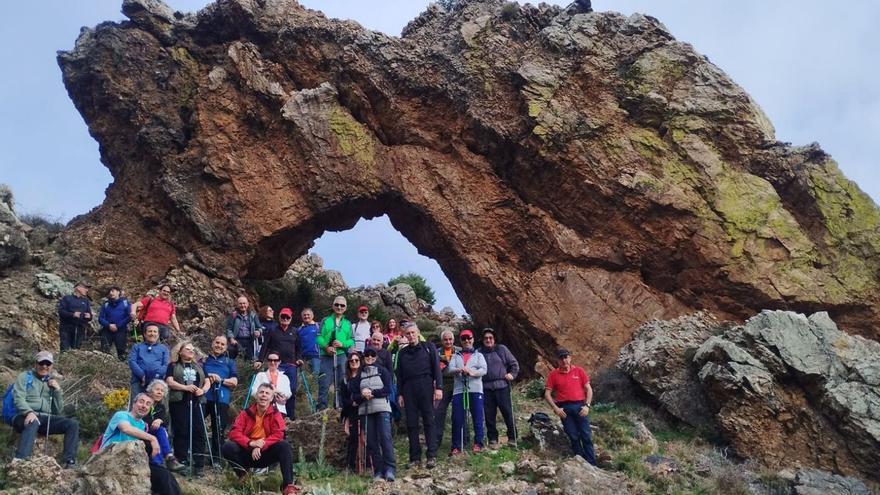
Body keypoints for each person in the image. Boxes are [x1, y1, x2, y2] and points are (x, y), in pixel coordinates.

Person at [223, 383, 299, 494]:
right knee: (227, 447)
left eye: (267, 393)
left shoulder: (275, 414)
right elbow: (234, 432)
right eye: (261, 392)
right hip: (247, 451)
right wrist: (251, 443)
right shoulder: (246, 413)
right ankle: (244, 475)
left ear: (272, 398)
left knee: (284, 446)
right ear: (256, 395)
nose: (264, 395)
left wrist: (261, 444)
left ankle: (288, 486)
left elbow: (278, 434)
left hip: (265, 453)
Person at [99, 392, 182, 495]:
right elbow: (126, 429)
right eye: (141, 402)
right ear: (133, 404)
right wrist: (153, 438)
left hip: (131, 461)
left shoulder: (143, 425)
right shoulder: (121, 415)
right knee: (162, 476)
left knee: (166, 476)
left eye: (148, 404)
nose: (144, 406)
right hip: (111, 457)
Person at [11, 351, 80, 467]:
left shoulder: (51, 383)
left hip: (45, 419)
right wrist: (29, 412)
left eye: (48, 364)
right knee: (33, 421)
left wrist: (57, 391)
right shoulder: (24, 377)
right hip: (22, 417)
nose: (44, 366)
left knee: (72, 424)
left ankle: (70, 461)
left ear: (51, 366)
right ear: (36, 363)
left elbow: (57, 411)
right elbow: (18, 398)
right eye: (41, 363)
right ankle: (20, 460)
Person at [395, 321, 442, 469]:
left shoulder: (429, 347)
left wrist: (439, 388)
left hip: (426, 384)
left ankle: (431, 456)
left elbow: (437, 368)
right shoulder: (402, 352)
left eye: (413, 333)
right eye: (407, 334)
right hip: (408, 388)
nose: (410, 336)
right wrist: (400, 394)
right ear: (405, 336)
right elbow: (399, 375)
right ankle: (414, 457)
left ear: (418, 333)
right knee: (411, 423)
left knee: (429, 420)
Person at [165, 341, 211, 476]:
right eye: (188, 349)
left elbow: (207, 381)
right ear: (180, 351)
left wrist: (202, 390)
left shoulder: (200, 365)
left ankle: (199, 464)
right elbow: (169, 381)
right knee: (182, 431)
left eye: (192, 349)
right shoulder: (173, 365)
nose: (191, 351)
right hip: (179, 402)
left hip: (197, 401)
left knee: (199, 431)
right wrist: (185, 388)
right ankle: (182, 461)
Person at [544, 348, 596, 465]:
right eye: (561, 358)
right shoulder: (553, 374)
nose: (564, 360)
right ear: (557, 360)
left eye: (566, 357)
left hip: (580, 406)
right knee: (573, 435)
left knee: (586, 435)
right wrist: (556, 408)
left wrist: (587, 406)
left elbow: (588, 389)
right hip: (564, 408)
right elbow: (547, 394)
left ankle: (592, 464)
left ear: (570, 358)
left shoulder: (579, 371)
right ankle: (581, 462)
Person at [352, 347, 396, 481]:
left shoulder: (383, 371)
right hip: (365, 411)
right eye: (367, 356)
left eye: (372, 355)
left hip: (382, 408)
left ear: (376, 357)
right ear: (363, 358)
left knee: (385, 438)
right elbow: (353, 394)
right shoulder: (359, 374)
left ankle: (390, 469)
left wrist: (372, 393)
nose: (369, 358)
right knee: (371, 442)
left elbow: (388, 389)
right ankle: (378, 471)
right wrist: (362, 395)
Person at [256, 307, 301, 417]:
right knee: (274, 388)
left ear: (290, 318)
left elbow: (298, 347)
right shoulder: (272, 330)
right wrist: (260, 360)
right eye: (283, 316)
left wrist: (299, 358)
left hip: (291, 364)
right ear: (279, 317)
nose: (285, 318)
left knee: (292, 390)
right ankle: (273, 414)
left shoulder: (295, 331)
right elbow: (265, 346)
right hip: (275, 364)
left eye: (287, 317)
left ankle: (290, 416)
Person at [447, 329, 487, 454]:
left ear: (473, 339)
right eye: (464, 339)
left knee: (477, 417)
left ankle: (478, 443)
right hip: (459, 390)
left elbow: (484, 370)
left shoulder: (479, 355)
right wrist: (460, 370)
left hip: (475, 389)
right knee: (457, 418)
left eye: (469, 338)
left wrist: (472, 372)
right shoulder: (455, 355)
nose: (466, 341)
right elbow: (450, 369)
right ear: (461, 341)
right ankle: (456, 446)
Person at [480, 327, 519, 449]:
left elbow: (514, 364)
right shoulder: (479, 352)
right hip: (486, 388)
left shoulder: (501, 349)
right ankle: (492, 439)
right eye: (486, 338)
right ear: (482, 340)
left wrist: (512, 374)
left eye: (490, 337)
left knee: (507, 412)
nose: (488, 340)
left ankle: (512, 437)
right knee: (489, 415)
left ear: (494, 339)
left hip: (502, 386)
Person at [202, 335, 238, 463]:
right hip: (204, 398)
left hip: (221, 399)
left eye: (222, 344)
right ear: (212, 344)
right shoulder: (203, 360)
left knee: (218, 429)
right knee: (198, 425)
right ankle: (198, 456)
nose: (219, 346)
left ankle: (217, 460)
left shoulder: (230, 362)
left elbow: (234, 381)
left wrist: (220, 380)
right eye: (217, 343)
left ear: (226, 347)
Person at [316, 296, 354, 410]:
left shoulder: (347, 323)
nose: (339, 307)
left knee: (342, 382)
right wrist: (326, 347)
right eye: (337, 304)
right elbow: (318, 338)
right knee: (324, 382)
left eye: (342, 305)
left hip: (341, 355)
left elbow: (351, 340)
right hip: (326, 356)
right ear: (333, 306)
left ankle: (339, 407)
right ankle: (322, 409)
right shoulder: (325, 320)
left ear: (345, 308)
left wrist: (342, 344)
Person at [145, 379, 186, 472]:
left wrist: (159, 420)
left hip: (153, 431)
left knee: (160, 431)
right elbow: (141, 418)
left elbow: (165, 421)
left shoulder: (161, 407)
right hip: (142, 430)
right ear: (150, 391)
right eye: (157, 389)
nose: (159, 392)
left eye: (162, 391)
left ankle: (159, 464)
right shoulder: (145, 402)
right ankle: (168, 458)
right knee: (159, 432)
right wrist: (154, 422)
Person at [129, 324, 171, 399]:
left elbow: (165, 364)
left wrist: (155, 376)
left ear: (158, 335)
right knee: (136, 403)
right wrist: (142, 375)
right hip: (138, 380)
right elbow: (132, 362)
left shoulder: (164, 348)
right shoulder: (137, 346)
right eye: (150, 331)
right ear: (145, 334)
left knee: (155, 406)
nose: (152, 333)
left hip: (157, 382)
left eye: (155, 332)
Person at [434, 329, 460, 448]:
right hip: (442, 385)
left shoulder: (459, 351)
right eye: (445, 339)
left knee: (459, 413)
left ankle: (461, 441)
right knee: (439, 413)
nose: (448, 342)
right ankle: (436, 441)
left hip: (457, 385)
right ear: (442, 341)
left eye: (450, 339)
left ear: (454, 340)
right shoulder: (436, 352)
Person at [339, 350, 361, 472]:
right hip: (351, 411)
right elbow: (343, 398)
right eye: (351, 361)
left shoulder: (363, 376)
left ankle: (366, 465)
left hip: (364, 409)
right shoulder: (345, 380)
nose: (354, 362)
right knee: (353, 439)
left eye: (356, 360)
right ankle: (350, 465)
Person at [252, 351, 292, 416]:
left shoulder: (284, 377)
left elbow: (288, 393)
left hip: (280, 410)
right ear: (267, 362)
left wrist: (276, 391)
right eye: (270, 360)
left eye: (275, 360)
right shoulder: (260, 375)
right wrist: (266, 395)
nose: (272, 362)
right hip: (262, 410)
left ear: (279, 362)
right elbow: (253, 392)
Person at [98, 285, 132, 360]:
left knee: (121, 350)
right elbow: (100, 318)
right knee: (104, 350)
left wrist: (118, 325)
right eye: (110, 291)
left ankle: (121, 367)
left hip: (121, 330)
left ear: (118, 292)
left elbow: (129, 317)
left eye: (113, 291)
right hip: (107, 330)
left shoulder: (125, 303)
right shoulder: (106, 304)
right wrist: (109, 325)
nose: (111, 293)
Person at [57, 280, 93, 351]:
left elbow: (89, 315)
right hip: (66, 327)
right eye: (85, 288)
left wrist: (89, 316)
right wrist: (72, 314)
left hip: (80, 328)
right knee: (65, 349)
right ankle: (64, 361)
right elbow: (61, 311)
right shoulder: (67, 298)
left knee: (76, 350)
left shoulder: (86, 301)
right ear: (78, 288)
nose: (87, 290)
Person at [226, 296, 263, 361]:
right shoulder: (233, 315)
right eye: (240, 303)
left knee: (250, 359)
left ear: (248, 304)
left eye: (244, 303)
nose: (242, 305)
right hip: (237, 340)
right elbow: (229, 329)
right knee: (231, 353)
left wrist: (258, 332)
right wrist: (231, 339)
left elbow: (259, 327)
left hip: (250, 340)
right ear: (237, 304)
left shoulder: (253, 315)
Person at [297, 308, 321, 374]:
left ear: (312, 316)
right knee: (304, 380)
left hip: (316, 357)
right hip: (303, 358)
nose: (306, 316)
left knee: (315, 378)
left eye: (308, 314)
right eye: (304, 315)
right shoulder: (299, 329)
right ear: (302, 317)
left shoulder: (318, 326)